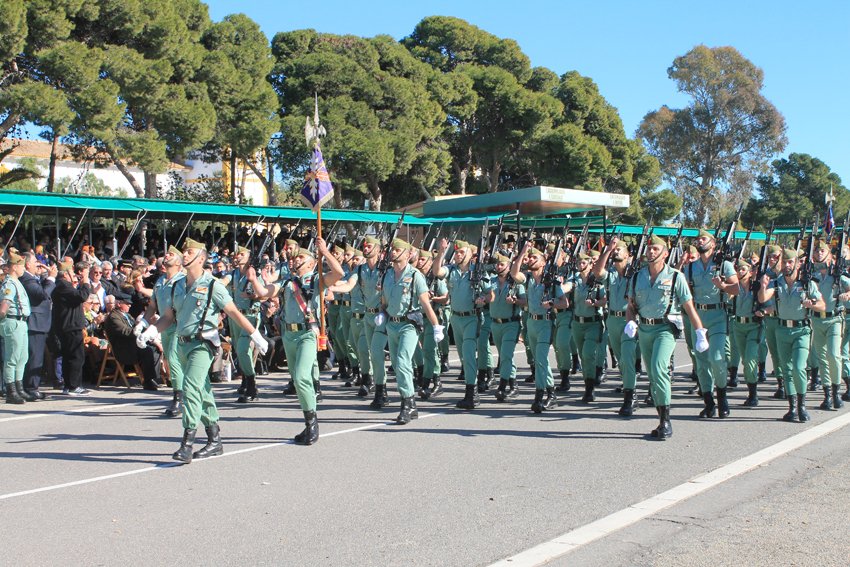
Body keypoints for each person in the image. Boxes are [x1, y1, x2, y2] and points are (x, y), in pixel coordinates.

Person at [139, 238, 268, 463]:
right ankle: (214, 439)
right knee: (202, 390)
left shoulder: (212, 285)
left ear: (201, 258)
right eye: (185, 252)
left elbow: (234, 312)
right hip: (182, 343)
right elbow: (169, 316)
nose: (185, 255)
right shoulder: (177, 286)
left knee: (190, 387)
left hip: (203, 345)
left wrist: (256, 335)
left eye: (190, 252)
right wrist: (151, 330)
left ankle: (187, 443)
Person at [250, 238, 343, 444]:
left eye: (301, 257)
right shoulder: (287, 282)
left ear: (311, 263)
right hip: (288, 335)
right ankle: (308, 422)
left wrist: (325, 252)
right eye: (296, 257)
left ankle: (312, 424)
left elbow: (338, 273)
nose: (296, 259)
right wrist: (254, 279)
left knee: (301, 377)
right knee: (298, 379)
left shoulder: (317, 279)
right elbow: (263, 293)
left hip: (307, 333)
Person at [626, 235, 708, 439]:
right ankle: (660, 418)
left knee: (658, 368)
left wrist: (700, 332)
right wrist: (630, 321)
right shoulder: (637, 277)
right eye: (649, 249)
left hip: (665, 329)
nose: (651, 252)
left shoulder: (675, 277)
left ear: (665, 253)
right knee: (652, 375)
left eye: (655, 249)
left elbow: (689, 307)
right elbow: (631, 306)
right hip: (644, 329)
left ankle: (666, 421)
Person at [377, 238, 443, 423]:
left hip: (409, 324)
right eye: (393, 249)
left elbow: (425, 303)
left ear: (407, 254)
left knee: (402, 361)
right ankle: (410, 403)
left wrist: (436, 325)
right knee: (397, 365)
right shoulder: (387, 275)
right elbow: (384, 301)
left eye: (398, 250)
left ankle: (407, 404)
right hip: (392, 324)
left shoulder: (415, 276)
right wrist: (381, 313)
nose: (394, 252)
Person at [757, 248, 824, 422]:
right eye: (784, 262)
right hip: (782, 330)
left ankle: (802, 407)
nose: (787, 265)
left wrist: (811, 304)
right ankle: (792, 407)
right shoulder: (776, 282)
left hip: (801, 331)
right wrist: (763, 286)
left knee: (798, 367)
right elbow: (763, 298)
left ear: (797, 264)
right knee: (786, 369)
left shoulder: (807, 283)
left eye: (790, 262)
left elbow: (822, 305)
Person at [433, 238, 491, 408]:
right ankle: (471, 388)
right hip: (456, 318)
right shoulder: (451, 270)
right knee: (463, 357)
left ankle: (472, 394)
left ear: (470, 254)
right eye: (456, 252)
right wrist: (441, 251)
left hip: (472, 318)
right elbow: (437, 271)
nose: (458, 255)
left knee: (468, 354)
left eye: (461, 252)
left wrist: (483, 299)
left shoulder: (478, 271)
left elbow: (490, 294)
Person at [687, 230, 738, 418]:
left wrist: (723, 286)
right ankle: (708, 402)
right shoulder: (690, 268)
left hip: (718, 315)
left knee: (717, 358)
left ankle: (722, 397)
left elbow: (737, 288)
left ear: (713, 244)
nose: (700, 241)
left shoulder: (724, 265)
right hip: (698, 317)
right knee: (701, 362)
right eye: (698, 239)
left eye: (704, 239)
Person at [510, 242, 561, 413]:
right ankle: (550, 394)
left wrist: (552, 303)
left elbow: (564, 303)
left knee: (540, 359)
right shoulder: (529, 279)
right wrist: (523, 252)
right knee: (539, 360)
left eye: (534, 257)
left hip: (545, 323)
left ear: (544, 262)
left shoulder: (551, 281)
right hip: (531, 323)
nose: (531, 260)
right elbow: (514, 273)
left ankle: (541, 395)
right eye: (529, 257)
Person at [138, 246, 186, 416]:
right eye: (166, 253)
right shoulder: (160, 281)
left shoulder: (183, 281)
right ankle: (182, 394)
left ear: (179, 262)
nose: (166, 255)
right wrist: (143, 323)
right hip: (164, 326)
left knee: (173, 359)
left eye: (171, 254)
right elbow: (153, 305)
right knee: (171, 361)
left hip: (179, 326)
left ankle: (179, 398)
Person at [594, 238, 639, 416]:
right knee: (621, 360)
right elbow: (597, 272)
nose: (616, 252)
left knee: (627, 358)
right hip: (612, 319)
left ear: (628, 255)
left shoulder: (635, 274)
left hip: (629, 320)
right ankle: (629, 386)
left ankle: (630, 397)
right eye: (615, 250)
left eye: (620, 250)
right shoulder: (611, 273)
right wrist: (607, 250)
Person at [486, 251, 526, 401]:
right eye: (497, 264)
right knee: (505, 356)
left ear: (509, 266)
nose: (498, 267)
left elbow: (525, 301)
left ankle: (502, 386)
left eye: (501, 264)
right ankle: (513, 385)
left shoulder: (515, 282)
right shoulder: (491, 281)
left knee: (506, 355)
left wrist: (515, 301)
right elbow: (485, 295)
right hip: (495, 323)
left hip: (511, 323)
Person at [104, 294, 162, 390]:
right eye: (127, 303)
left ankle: (152, 378)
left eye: (130, 304)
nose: (130, 305)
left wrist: (146, 330)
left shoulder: (127, 315)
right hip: (123, 349)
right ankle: (148, 381)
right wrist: (141, 332)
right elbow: (125, 331)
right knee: (148, 350)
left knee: (155, 349)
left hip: (132, 345)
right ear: (119, 304)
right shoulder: (113, 317)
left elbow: (136, 327)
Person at [52, 261, 92, 396]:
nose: (74, 276)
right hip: (71, 326)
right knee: (76, 356)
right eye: (72, 273)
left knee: (69, 356)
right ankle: (74, 386)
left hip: (69, 325)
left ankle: (69, 385)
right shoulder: (63, 286)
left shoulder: (64, 286)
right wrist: (85, 281)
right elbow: (82, 296)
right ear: (66, 274)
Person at [21, 251, 57, 399]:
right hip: (35, 323)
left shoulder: (32, 278)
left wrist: (45, 277)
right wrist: (51, 278)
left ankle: (31, 386)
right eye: (35, 261)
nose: (38, 264)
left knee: (37, 356)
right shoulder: (26, 278)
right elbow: (41, 294)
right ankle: (31, 387)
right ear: (27, 264)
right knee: (34, 357)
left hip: (39, 322)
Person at [1, 253, 33, 403]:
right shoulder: (9, 284)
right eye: (21, 266)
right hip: (13, 322)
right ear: (14, 267)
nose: (23, 268)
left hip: (21, 322)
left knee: (22, 358)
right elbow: (3, 307)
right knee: (12, 358)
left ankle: (19, 389)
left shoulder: (16, 282)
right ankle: (11, 391)